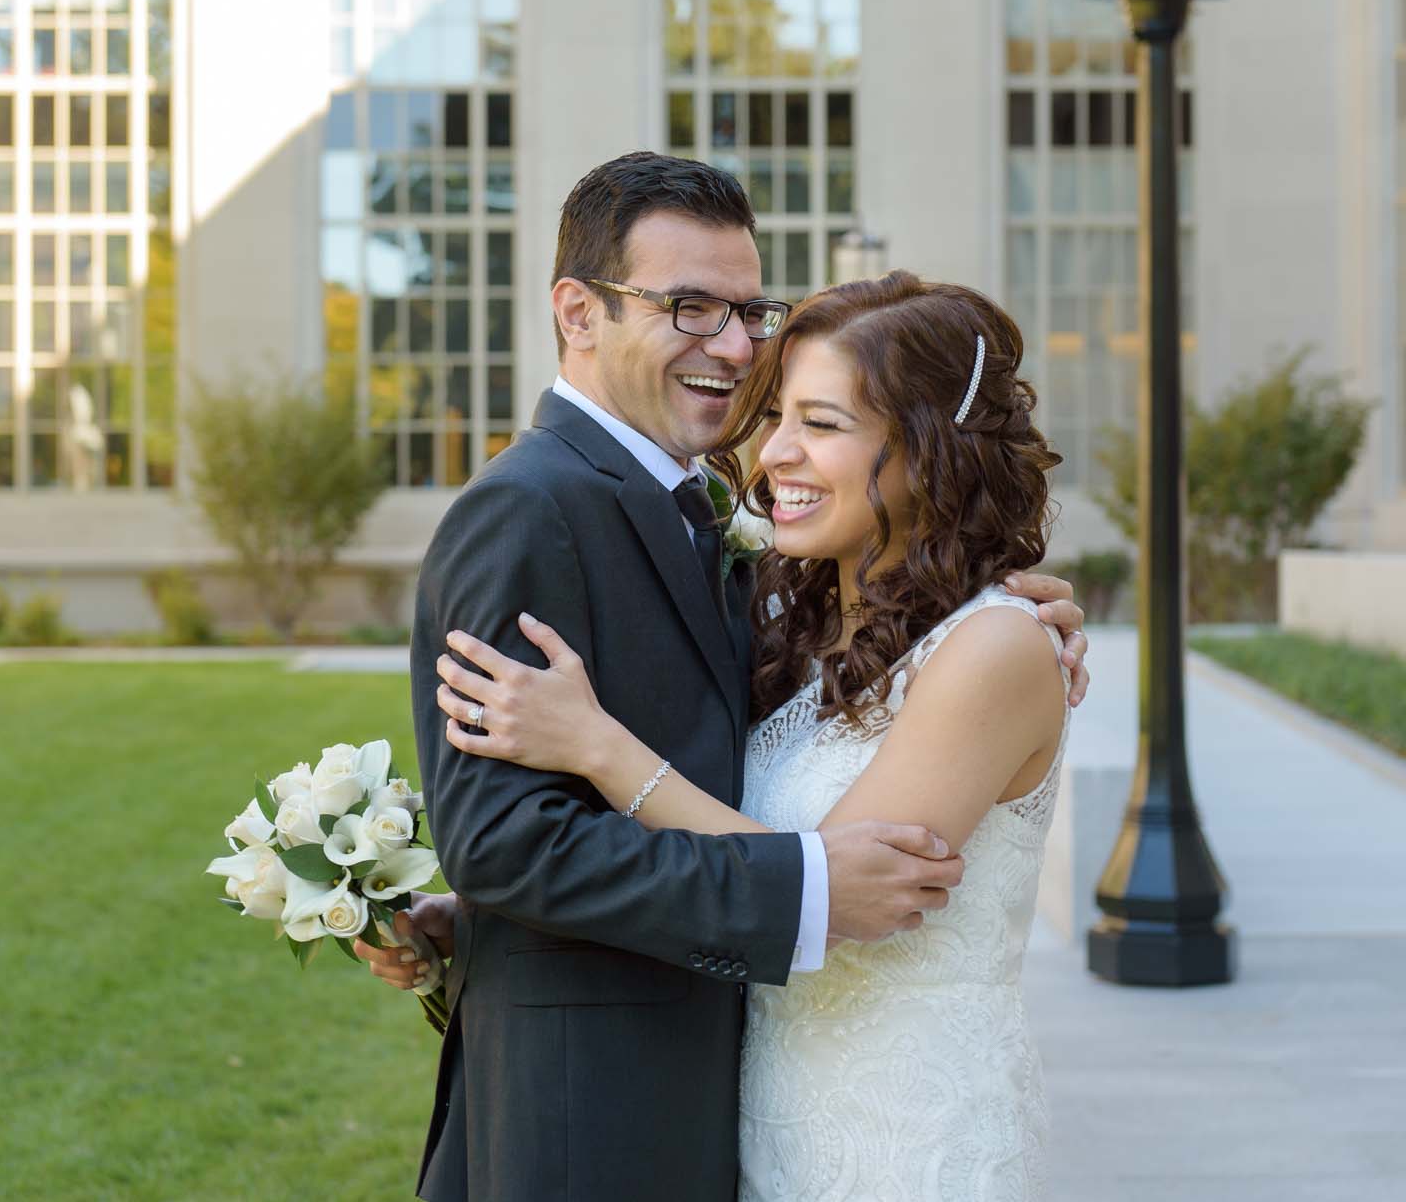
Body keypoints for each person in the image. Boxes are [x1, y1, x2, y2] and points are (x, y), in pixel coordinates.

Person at [360, 153, 1090, 1202]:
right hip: (594, 1112)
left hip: (847, 1119)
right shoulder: (529, 508)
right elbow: (505, 840)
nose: (732, 348)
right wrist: (479, 904)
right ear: (577, 312)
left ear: (930, 454)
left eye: (747, 311)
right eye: (689, 307)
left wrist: (987, 603)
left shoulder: (717, 524)